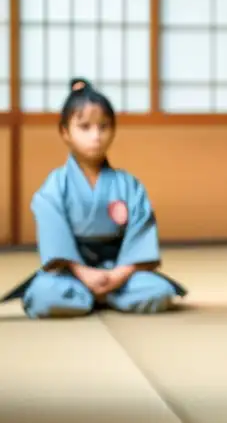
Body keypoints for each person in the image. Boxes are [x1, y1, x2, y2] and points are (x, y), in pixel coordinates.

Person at [2, 79, 186, 318]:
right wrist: (83, 273)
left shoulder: (129, 185)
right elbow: (54, 240)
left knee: (157, 291)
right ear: (65, 132)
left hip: (118, 272)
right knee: (43, 295)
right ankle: (101, 295)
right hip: (72, 273)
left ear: (113, 130)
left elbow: (141, 237)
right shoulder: (55, 186)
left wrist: (119, 274)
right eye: (85, 127)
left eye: (104, 126)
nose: (96, 136)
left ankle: (90, 297)